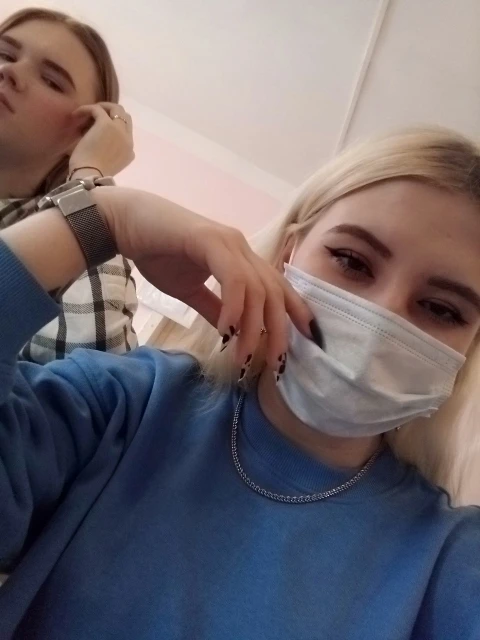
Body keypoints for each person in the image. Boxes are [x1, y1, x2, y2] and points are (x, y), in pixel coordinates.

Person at [0, 128, 480, 640]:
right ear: (287, 254)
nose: (380, 321)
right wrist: (102, 218)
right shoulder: (119, 406)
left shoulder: (449, 563)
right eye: (352, 261)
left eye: (441, 309)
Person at [0, 7, 138, 363]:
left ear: (83, 133)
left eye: (51, 81)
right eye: (5, 54)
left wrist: (90, 175)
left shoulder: (90, 244)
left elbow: (83, 375)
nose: (10, 71)